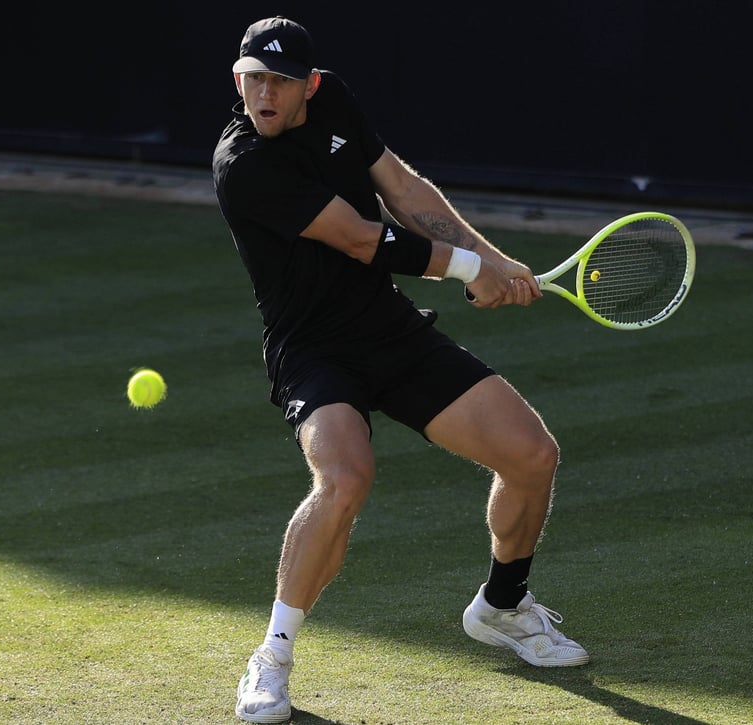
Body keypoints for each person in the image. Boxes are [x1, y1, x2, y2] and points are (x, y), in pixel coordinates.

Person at [212, 16, 589, 724]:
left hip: (387, 328)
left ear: (310, 87)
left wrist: (493, 259)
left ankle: (504, 606)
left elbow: (403, 190)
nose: (264, 93)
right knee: (345, 476)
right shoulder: (244, 166)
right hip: (312, 347)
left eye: (280, 81)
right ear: (239, 80)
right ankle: (272, 657)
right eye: (253, 78)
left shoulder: (336, 102)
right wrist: (474, 270)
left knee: (534, 455)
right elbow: (360, 238)